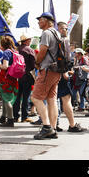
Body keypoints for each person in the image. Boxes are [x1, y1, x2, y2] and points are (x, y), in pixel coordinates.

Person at [32, 12, 65, 140]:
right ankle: (53, 128)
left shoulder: (46, 33)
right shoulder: (57, 33)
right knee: (52, 100)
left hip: (47, 70)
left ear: (46, 20)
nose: (38, 22)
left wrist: (36, 62)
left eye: (40, 20)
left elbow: (43, 51)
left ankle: (46, 127)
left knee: (35, 98)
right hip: (57, 70)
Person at [55, 22, 84, 133]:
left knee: (53, 100)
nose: (66, 30)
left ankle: (52, 125)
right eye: (64, 28)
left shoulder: (57, 41)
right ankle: (70, 125)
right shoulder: (62, 41)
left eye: (66, 28)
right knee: (63, 99)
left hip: (55, 73)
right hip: (60, 74)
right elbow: (61, 57)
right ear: (59, 29)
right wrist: (64, 72)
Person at [0, 36, 19, 127]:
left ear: (3, 45)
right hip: (13, 77)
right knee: (6, 97)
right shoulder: (14, 52)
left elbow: (5, 66)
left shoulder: (6, 53)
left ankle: (10, 119)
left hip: (6, 78)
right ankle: (3, 116)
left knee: (7, 98)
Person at [13, 34, 36, 123]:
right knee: (26, 97)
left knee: (17, 97)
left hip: (16, 76)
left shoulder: (16, 50)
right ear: (26, 41)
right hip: (26, 75)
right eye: (29, 40)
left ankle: (15, 116)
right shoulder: (29, 50)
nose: (30, 41)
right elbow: (33, 65)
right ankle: (24, 116)